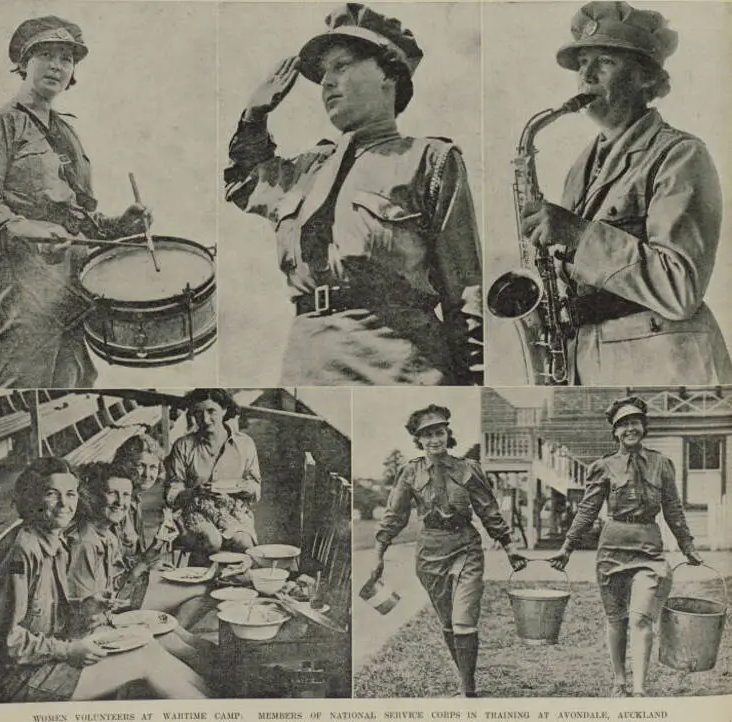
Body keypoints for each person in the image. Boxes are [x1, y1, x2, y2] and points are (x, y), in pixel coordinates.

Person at [225, 3, 482, 385]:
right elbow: (244, 183)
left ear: (388, 75)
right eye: (324, 73)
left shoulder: (428, 159)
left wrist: (473, 382)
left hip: (400, 366)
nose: (327, 82)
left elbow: (466, 294)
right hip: (308, 363)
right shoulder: (309, 168)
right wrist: (254, 116)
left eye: (341, 66)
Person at [520, 1, 732, 385]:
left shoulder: (682, 155)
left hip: (663, 363)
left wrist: (578, 235)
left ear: (646, 78)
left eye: (605, 62)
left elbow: (680, 289)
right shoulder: (581, 165)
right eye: (582, 63)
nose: (586, 76)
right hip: (590, 360)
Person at [0, 16, 151, 388]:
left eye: (66, 59)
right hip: (19, 278)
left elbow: (79, 214)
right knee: (13, 380)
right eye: (45, 55)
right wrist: (29, 229)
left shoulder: (66, 133)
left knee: (70, 381)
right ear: (23, 63)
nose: (56, 66)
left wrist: (120, 225)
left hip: (69, 283)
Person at [0, 457, 208, 702]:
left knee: (148, 647)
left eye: (71, 494)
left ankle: (215, 702)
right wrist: (68, 650)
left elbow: (45, 615)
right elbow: (4, 641)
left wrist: (85, 607)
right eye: (52, 494)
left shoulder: (54, 540)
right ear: (30, 498)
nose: (65, 504)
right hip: (16, 678)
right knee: (145, 660)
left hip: (44, 657)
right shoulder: (22, 551)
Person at [549, 396, 703, 697]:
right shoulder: (603, 467)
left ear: (643, 427)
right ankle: (619, 681)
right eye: (623, 424)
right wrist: (567, 547)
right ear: (615, 432)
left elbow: (673, 509)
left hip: (649, 549)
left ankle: (639, 688)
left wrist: (688, 546)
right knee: (616, 618)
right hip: (612, 549)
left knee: (640, 617)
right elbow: (587, 510)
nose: (630, 428)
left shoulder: (662, 464)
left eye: (635, 422)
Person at [370, 405, 528, 697]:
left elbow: (489, 511)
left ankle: (468, 691)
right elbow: (394, 516)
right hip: (430, 553)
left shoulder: (468, 469)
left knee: (464, 620)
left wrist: (509, 547)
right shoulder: (410, 472)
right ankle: (465, 679)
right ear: (419, 440)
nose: (434, 440)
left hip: (465, 547)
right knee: (448, 624)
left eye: (439, 432)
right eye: (427, 435)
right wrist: (378, 555)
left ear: (447, 434)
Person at [66, 462, 225, 693]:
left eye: (126, 495)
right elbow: (91, 616)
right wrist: (137, 625)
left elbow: (114, 592)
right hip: (99, 632)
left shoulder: (106, 533)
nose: (121, 502)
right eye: (112, 493)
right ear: (91, 496)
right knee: (173, 644)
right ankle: (222, 689)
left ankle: (226, 684)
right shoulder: (85, 543)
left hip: (116, 613)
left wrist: (155, 549)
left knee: (185, 639)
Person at [165, 388, 261, 564]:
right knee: (211, 540)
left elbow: (256, 489)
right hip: (194, 511)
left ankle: (233, 584)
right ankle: (198, 581)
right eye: (198, 413)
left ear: (224, 410)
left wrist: (236, 487)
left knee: (244, 542)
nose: (205, 419)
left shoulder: (245, 444)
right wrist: (195, 492)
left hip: (232, 511)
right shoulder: (183, 446)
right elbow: (171, 493)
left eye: (211, 411)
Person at [110, 433, 165, 565]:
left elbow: (138, 556)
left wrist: (157, 547)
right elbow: (120, 563)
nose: (147, 475)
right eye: (140, 466)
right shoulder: (119, 504)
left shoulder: (135, 498)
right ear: (126, 465)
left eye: (153, 467)